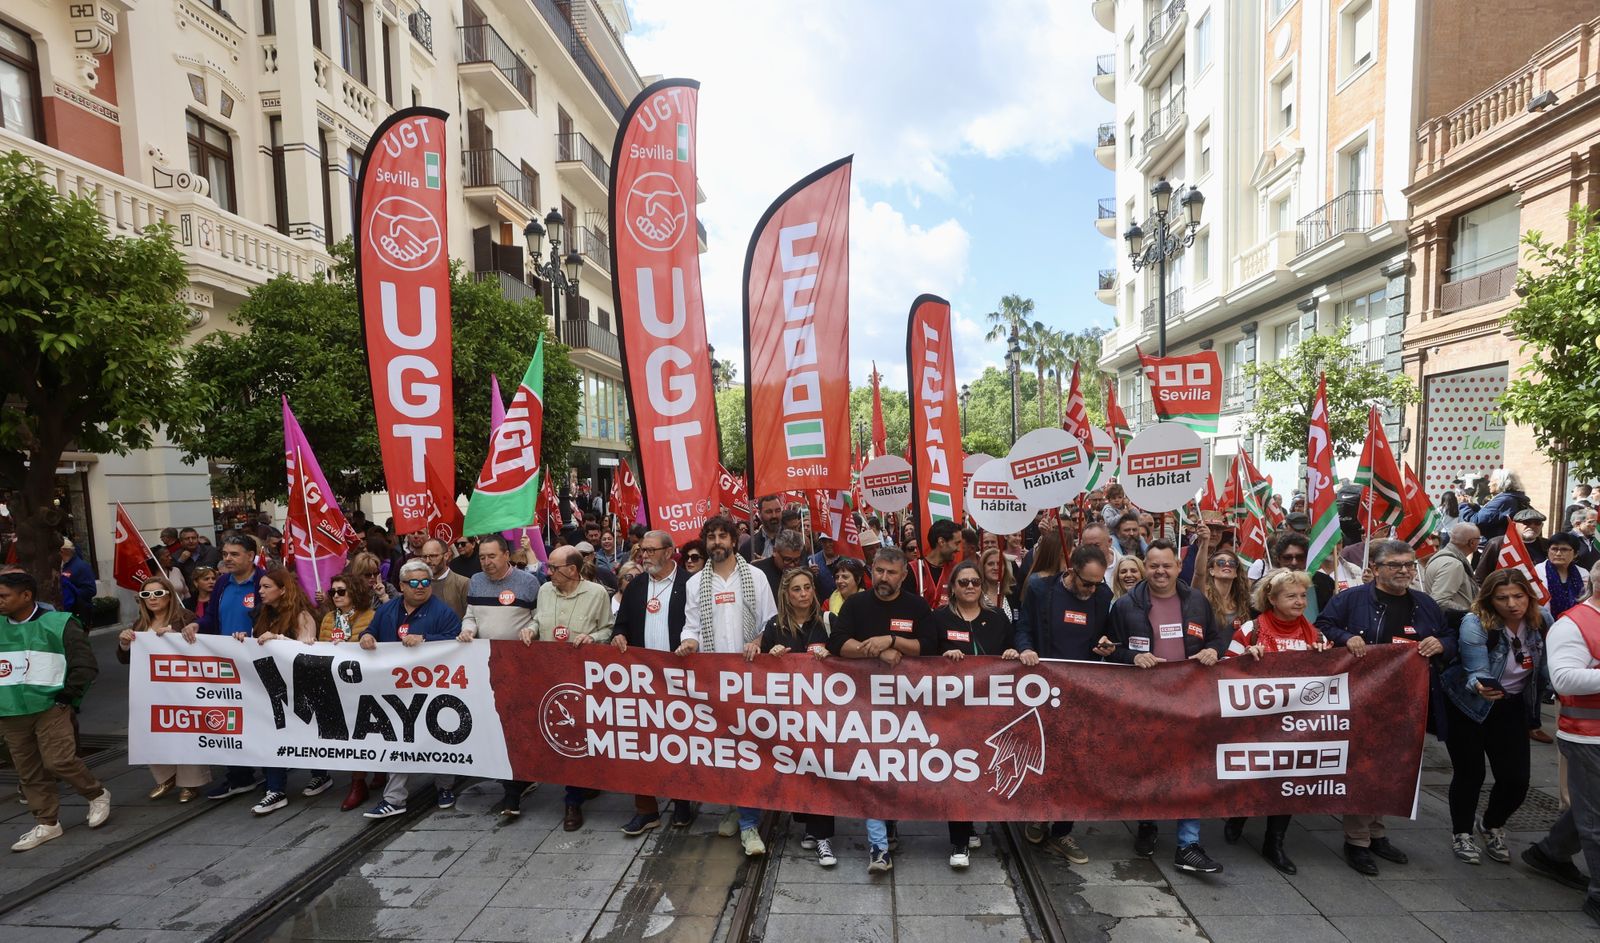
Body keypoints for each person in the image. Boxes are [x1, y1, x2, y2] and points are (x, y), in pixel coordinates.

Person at [1315, 538, 1457, 875]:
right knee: (1364, 767)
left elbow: (1449, 636)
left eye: (1409, 564)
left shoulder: (1424, 604)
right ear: (1376, 569)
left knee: (1394, 767)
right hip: (1363, 699)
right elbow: (1322, 626)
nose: (1405, 571)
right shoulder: (1350, 600)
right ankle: (1357, 840)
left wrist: (1442, 644)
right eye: (1395, 565)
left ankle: (1378, 833)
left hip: (1410, 701)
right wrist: (1344, 637)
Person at [1106, 539, 1227, 872]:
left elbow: (1218, 637)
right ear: (1146, 567)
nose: (1160, 571)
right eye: (1154, 565)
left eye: (1167, 565)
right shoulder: (1126, 606)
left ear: (1177, 567)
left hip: (1190, 701)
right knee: (1149, 767)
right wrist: (1133, 656)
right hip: (1146, 702)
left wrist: (1214, 651)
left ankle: (1189, 843)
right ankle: (1147, 824)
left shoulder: (1197, 602)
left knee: (1191, 769)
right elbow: (1109, 651)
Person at [827, 545, 931, 872]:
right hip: (862, 704)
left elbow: (927, 647)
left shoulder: (916, 606)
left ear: (903, 576)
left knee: (895, 768)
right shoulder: (856, 604)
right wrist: (872, 652)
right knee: (871, 768)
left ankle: (890, 822)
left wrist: (892, 641)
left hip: (906, 708)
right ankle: (878, 848)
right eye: (879, 571)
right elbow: (838, 643)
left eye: (891, 572)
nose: (883, 578)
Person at [1221, 568, 1330, 874]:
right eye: (1291, 596)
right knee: (1253, 777)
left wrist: (1324, 657)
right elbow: (1224, 671)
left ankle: (1275, 841)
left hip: (1296, 727)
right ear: (1271, 598)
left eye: (1302, 596)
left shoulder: (1316, 635)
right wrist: (1244, 658)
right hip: (1255, 725)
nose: (1299, 602)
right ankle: (1238, 816)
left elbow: (1331, 677)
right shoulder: (1250, 631)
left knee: (1288, 781)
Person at [678, 517, 776, 853]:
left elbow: (770, 624)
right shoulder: (695, 584)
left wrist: (760, 642)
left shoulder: (756, 577)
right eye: (711, 537)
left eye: (723, 536)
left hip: (751, 679)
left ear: (734, 541)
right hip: (714, 680)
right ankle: (737, 808)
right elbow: (691, 626)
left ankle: (749, 824)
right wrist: (689, 644)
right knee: (725, 750)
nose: (717, 542)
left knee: (749, 748)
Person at [1013, 543, 1115, 861]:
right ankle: (1038, 814)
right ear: (1071, 572)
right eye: (1087, 582)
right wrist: (1026, 648)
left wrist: (1106, 645)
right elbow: (1024, 627)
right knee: (1041, 755)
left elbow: (1107, 635)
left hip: (1081, 692)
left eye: (1097, 583)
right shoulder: (1041, 589)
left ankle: (1063, 832)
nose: (1092, 589)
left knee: (1074, 763)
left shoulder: (1103, 595)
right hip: (1043, 689)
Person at [0, 570, 110, 852]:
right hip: (10, 710)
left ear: (26, 595)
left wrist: (67, 698)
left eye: (4, 596)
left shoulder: (59, 623)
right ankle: (47, 821)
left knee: (58, 761)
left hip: (51, 705)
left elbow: (84, 664)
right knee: (28, 770)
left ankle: (95, 793)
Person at [1443, 569, 1546, 866]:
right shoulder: (1476, 622)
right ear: (1489, 599)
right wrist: (1480, 684)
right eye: (1502, 598)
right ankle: (1461, 832)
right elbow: (1476, 668)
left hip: (1512, 706)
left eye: (1518, 596)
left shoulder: (1542, 622)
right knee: (1470, 774)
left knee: (1517, 780)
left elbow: (1547, 668)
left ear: (1529, 596)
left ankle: (1490, 824)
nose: (1512, 604)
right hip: (1468, 706)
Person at [930, 560, 1026, 869]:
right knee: (960, 771)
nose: (970, 586)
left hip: (990, 712)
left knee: (981, 768)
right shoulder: (938, 619)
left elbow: (1013, 648)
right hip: (952, 712)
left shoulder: (997, 618)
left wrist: (1012, 654)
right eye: (963, 583)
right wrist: (942, 657)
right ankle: (958, 841)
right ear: (953, 589)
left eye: (975, 582)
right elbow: (922, 659)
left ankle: (969, 824)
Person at [1520, 560, 1600, 929]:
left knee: (1589, 808)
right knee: (1596, 816)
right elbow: (1565, 680)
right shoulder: (1573, 623)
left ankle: (1550, 853)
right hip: (1588, 737)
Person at [360, 560, 464, 820]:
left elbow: (457, 640)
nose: (420, 587)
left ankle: (445, 787)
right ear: (402, 586)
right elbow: (371, 629)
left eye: (425, 582)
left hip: (433, 689)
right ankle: (394, 799)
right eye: (414, 583)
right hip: (396, 690)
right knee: (399, 739)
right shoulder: (387, 610)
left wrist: (426, 640)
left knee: (439, 736)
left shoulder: (443, 612)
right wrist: (366, 637)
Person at [752, 568, 837, 867]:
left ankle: (824, 836)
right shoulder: (775, 626)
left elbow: (847, 660)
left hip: (824, 713)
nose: (803, 594)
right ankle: (811, 825)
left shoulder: (827, 622)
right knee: (799, 771)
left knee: (822, 771)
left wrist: (833, 656)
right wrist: (771, 656)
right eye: (796, 590)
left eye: (807, 588)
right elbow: (759, 672)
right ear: (786, 595)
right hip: (789, 715)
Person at [454, 535, 543, 816]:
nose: (486, 562)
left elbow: (540, 617)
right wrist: (468, 628)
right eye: (482, 557)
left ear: (507, 555)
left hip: (519, 666)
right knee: (495, 724)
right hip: (485, 664)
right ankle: (515, 778)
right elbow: (471, 614)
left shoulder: (528, 583)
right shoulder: (476, 582)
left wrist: (533, 631)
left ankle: (513, 791)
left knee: (515, 724)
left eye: (492, 556)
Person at [613, 529, 695, 834]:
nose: (643, 555)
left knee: (680, 743)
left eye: (650, 550)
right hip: (642, 680)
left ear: (670, 551)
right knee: (642, 744)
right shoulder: (635, 587)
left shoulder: (691, 584)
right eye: (641, 550)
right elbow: (621, 624)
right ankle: (646, 810)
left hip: (680, 678)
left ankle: (683, 802)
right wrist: (619, 634)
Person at [530, 545, 614, 829]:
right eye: (548, 567)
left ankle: (572, 801)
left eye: (553, 568)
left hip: (582, 678)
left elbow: (608, 628)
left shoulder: (597, 594)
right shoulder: (544, 592)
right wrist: (530, 628)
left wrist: (593, 638)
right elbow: (538, 620)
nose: (548, 572)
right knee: (561, 734)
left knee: (577, 735)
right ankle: (580, 786)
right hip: (549, 675)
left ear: (573, 570)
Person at [182, 534, 266, 801]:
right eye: (225, 554)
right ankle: (238, 776)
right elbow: (211, 618)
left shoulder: (263, 582)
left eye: (234, 554)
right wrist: (198, 624)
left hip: (258, 664)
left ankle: (272, 771)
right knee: (231, 720)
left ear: (250, 556)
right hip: (227, 665)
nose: (227, 559)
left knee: (262, 719)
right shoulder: (221, 584)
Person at [117, 576, 207, 802]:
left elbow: (202, 645)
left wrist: (178, 635)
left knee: (186, 731)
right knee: (151, 730)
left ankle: (190, 782)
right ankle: (165, 776)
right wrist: (125, 643)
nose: (152, 599)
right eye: (146, 595)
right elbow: (125, 658)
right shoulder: (140, 623)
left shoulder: (185, 617)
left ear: (169, 595)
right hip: (151, 690)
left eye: (158, 593)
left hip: (182, 687)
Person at [246, 568, 324, 815]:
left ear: (283, 589)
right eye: (260, 587)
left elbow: (306, 651)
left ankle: (321, 774)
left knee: (307, 732)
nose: (261, 591)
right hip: (271, 688)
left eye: (266, 587)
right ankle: (275, 789)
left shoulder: (301, 616)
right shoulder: (262, 615)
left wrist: (279, 639)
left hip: (299, 688)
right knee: (273, 734)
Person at [318, 572, 383, 811]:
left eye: (341, 591)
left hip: (365, 685)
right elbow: (320, 648)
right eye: (332, 591)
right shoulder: (327, 619)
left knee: (369, 732)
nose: (336, 595)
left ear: (354, 592)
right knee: (352, 735)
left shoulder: (370, 616)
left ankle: (368, 777)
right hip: (338, 685)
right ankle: (362, 780)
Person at [1477, 509, 1551, 581]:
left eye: (1537, 523)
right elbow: (1480, 577)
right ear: (1514, 525)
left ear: (1542, 526)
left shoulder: (1547, 545)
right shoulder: (1497, 544)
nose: (1532, 526)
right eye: (1526, 522)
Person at [1426, 523, 1480, 615]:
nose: (1480, 542)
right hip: (1454, 625)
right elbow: (1439, 601)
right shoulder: (1453, 564)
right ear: (1472, 542)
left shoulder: (1444, 558)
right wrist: (1470, 613)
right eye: (1479, 539)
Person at [1464, 468, 1531, 540]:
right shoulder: (1511, 498)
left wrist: (1463, 505)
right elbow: (1491, 515)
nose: (1489, 484)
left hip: (1494, 544)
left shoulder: (1503, 500)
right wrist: (1474, 506)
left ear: (1500, 482)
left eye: (1491, 481)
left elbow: (1475, 522)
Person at [910, 519, 962, 608]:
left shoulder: (957, 570)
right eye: (956, 543)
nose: (958, 549)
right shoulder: (913, 569)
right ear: (941, 542)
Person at [1198, 549, 1251, 635]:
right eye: (1221, 562)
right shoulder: (1203, 595)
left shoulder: (1242, 599)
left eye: (1232, 563)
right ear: (1211, 571)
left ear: (1236, 573)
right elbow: (1198, 574)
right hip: (1209, 647)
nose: (1227, 564)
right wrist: (1204, 543)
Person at [1543, 533, 1590, 619]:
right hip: (1545, 622)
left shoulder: (1583, 574)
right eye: (1554, 549)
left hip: (1576, 621)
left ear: (1575, 554)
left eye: (1564, 549)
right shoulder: (1537, 572)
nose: (1558, 553)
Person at [418, 539, 469, 618]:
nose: (428, 561)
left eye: (433, 556)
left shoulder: (463, 583)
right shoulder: (419, 584)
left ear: (446, 556)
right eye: (424, 556)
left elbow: (469, 617)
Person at [754, 529, 806, 599]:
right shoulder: (757, 573)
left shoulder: (804, 572)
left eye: (796, 560)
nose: (792, 565)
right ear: (774, 551)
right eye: (787, 559)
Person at [58, 538, 96, 624]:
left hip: (79, 613)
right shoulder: (64, 566)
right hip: (69, 612)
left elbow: (91, 590)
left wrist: (73, 590)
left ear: (63, 551)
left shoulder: (82, 566)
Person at [741, 494, 784, 561]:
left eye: (778, 510)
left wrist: (767, 564)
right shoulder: (748, 547)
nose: (774, 515)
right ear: (759, 514)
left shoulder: (794, 540)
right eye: (769, 512)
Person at [978, 548, 1017, 619]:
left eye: (999, 564)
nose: (996, 568)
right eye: (990, 564)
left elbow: (1017, 618)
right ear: (983, 567)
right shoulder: (977, 594)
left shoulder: (1013, 592)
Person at [810, 534, 841, 599]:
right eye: (824, 541)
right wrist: (810, 574)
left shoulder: (847, 558)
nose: (827, 544)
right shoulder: (812, 561)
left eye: (830, 541)